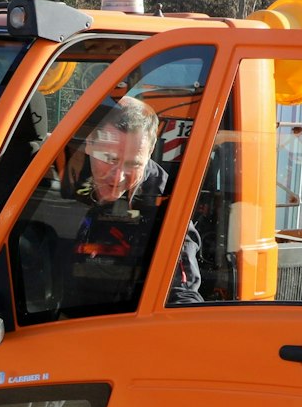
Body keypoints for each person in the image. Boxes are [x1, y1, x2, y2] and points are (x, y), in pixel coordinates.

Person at [63, 97, 203, 307]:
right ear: (89, 143)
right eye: (109, 158)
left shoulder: (166, 203)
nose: (118, 176)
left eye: (133, 164)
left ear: (150, 151)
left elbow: (180, 293)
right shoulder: (61, 166)